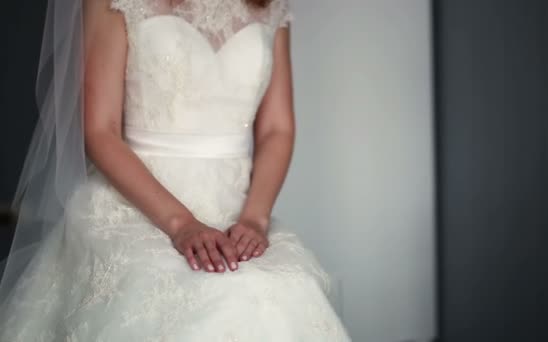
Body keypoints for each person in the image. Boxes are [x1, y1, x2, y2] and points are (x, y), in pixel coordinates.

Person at [0, 0, 352, 340]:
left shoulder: (270, 6)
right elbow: (100, 130)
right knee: (210, 295)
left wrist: (255, 219)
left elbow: (278, 128)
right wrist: (181, 224)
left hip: (235, 208)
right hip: (136, 201)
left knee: (285, 289)